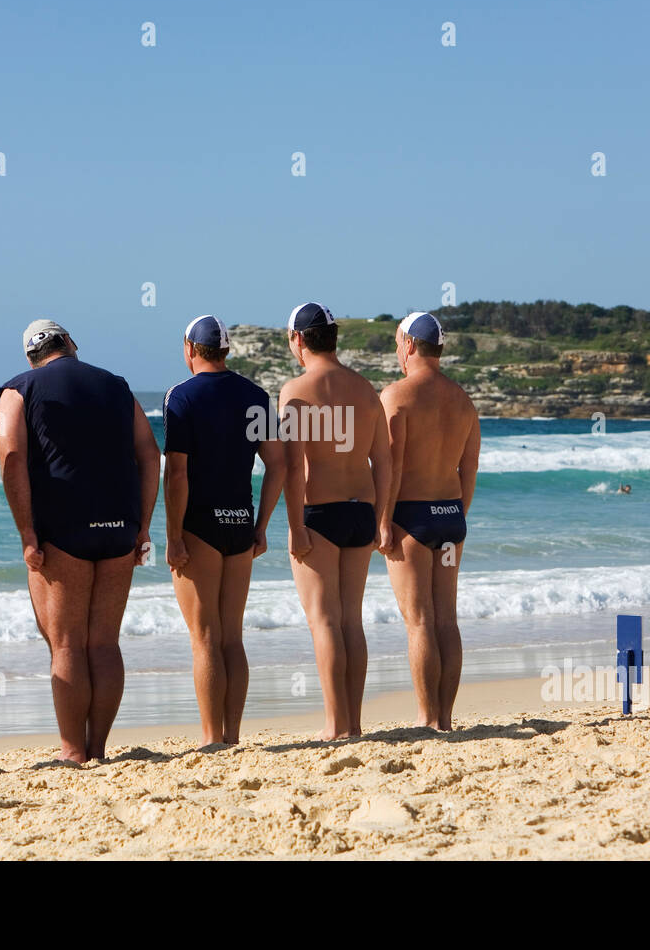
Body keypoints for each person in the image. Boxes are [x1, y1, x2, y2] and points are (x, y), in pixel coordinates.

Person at [0, 320, 160, 763]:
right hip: (118, 526)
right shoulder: (115, 385)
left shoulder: (19, 388)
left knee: (67, 644)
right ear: (70, 344)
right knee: (104, 642)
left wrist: (27, 532)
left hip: (62, 528)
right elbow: (149, 453)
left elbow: (12, 456)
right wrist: (142, 526)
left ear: (31, 356)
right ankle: (99, 749)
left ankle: (72, 752)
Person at [163, 315, 285, 748]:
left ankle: (212, 737)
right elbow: (279, 463)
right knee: (232, 635)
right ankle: (232, 734)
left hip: (200, 524)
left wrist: (173, 534)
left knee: (205, 638)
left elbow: (177, 474)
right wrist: (262, 525)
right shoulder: (254, 395)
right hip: (239, 522)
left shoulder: (182, 395)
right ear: (226, 350)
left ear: (190, 349)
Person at [280, 302, 392, 740]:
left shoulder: (297, 390)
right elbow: (383, 460)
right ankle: (355, 723)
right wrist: (381, 515)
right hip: (360, 511)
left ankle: (334, 723)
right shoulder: (366, 390)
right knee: (350, 620)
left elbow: (291, 466)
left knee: (324, 620)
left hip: (319, 512)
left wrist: (293, 525)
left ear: (299, 340)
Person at [379, 313, 480, 731]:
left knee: (418, 620)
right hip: (450, 518)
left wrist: (383, 520)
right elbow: (467, 472)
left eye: (397, 343)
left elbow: (393, 468)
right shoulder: (463, 401)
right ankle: (446, 717)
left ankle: (426, 718)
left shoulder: (397, 396)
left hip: (411, 519)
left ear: (409, 345)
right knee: (446, 620)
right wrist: (457, 517)